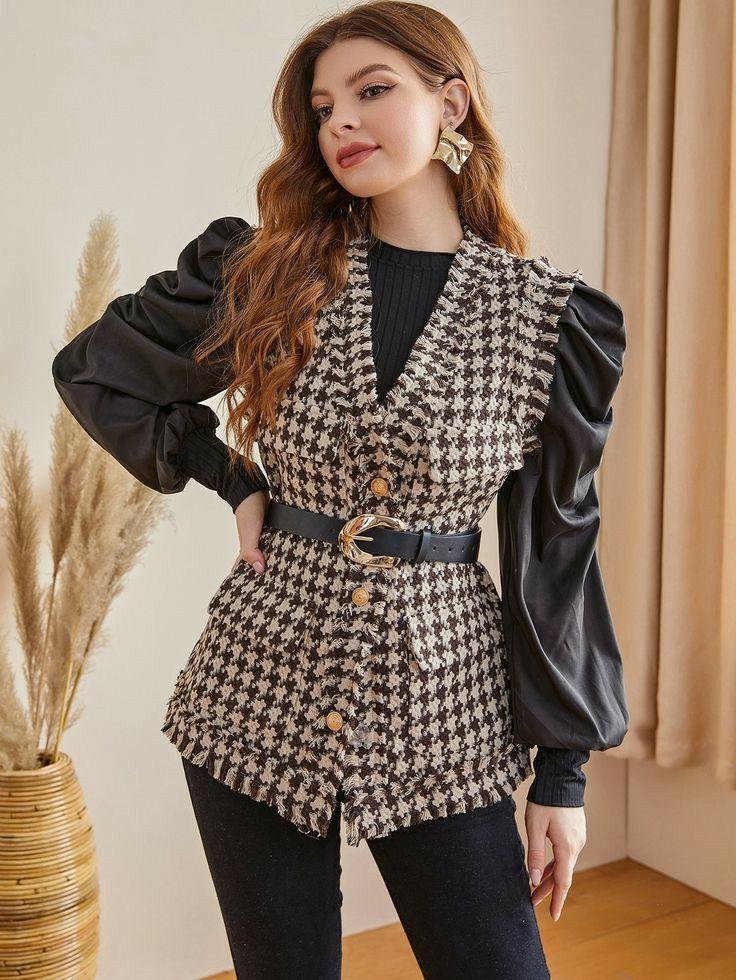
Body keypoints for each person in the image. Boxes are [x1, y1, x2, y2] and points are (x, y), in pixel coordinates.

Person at [50, 2, 628, 977]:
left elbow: (556, 550)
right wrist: (233, 478)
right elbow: (98, 369)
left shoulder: (547, 322)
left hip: (443, 701)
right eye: (323, 108)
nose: (342, 122)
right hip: (255, 688)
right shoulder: (267, 269)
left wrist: (562, 776)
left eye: (372, 91)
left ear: (451, 104)